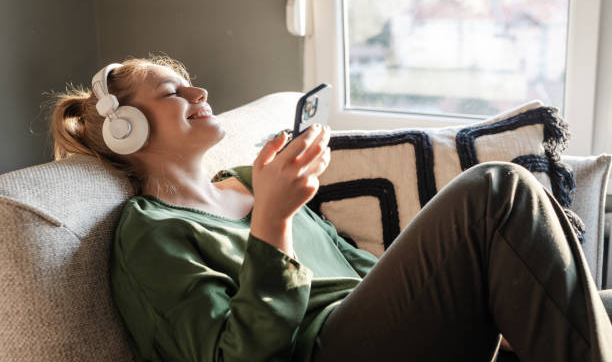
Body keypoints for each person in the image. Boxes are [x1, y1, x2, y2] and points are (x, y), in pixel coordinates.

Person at [50, 55, 612, 362]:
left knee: (592, 299)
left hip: (380, 332)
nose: (199, 94)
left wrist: (485, 296)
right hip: (326, 350)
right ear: (128, 130)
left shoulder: (249, 180)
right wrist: (273, 221)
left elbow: (357, 267)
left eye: (193, 85)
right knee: (498, 190)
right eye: (173, 92)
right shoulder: (149, 234)